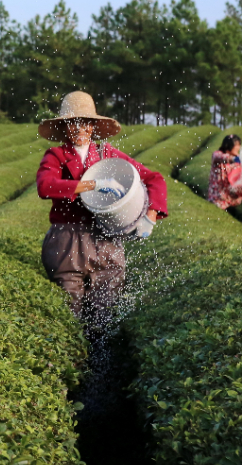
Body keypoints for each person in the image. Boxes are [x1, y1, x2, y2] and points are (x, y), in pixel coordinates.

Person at [36, 91, 167, 329]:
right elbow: (45, 186)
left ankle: (99, 356)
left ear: (93, 126)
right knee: (69, 308)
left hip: (105, 240)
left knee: (104, 309)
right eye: (73, 123)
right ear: (65, 127)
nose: (80, 129)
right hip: (68, 240)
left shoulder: (107, 155)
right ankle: (73, 358)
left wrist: (151, 215)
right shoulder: (56, 156)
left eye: (85, 123)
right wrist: (91, 185)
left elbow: (153, 178)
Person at [207, 133, 242, 210]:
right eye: (236, 145)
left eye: (239, 145)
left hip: (234, 199)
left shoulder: (240, 159)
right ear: (228, 147)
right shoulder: (218, 155)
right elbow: (223, 158)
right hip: (219, 198)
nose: (238, 147)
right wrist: (234, 159)